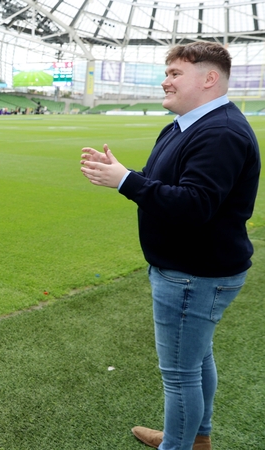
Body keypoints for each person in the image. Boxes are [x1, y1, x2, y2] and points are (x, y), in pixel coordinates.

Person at [80, 41, 260, 450]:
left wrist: (126, 182)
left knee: (181, 373)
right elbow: (163, 182)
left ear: (209, 79)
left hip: (194, 274)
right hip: (191, 269)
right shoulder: (187, 125)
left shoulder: (220, 132)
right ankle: (195, 438)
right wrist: (123, 174)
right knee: (196, 360)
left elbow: (194, 205)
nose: (166, 81)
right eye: (167, 73)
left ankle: (179, 444)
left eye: (176, 73)